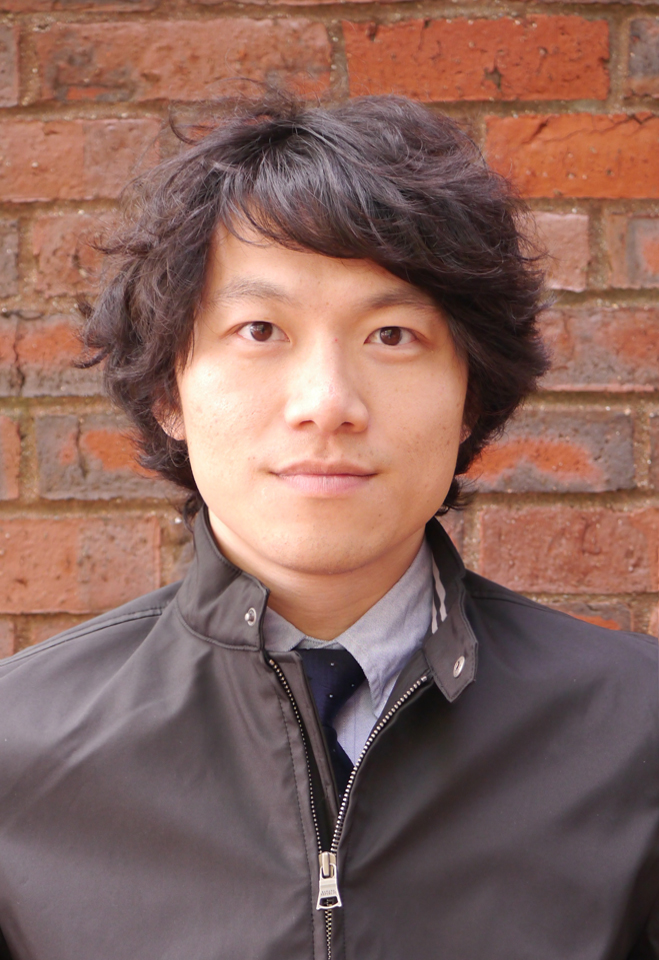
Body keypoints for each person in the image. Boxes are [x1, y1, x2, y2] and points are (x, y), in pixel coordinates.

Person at [0, 92, 657, 960]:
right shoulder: (17, 746)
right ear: (168, 391)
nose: (327, 403)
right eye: (259, 329)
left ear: (469, 396)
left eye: (391, 335)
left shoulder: (637, 729)